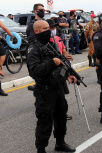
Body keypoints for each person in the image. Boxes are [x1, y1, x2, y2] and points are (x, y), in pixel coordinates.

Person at [26, 20, 76, 153]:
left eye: (49, 27)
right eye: (45, 28)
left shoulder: (50, 44)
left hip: (58, 88)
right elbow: (34, 71)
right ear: (36, 31)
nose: (48, 30)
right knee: (45, 121)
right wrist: (51, 62)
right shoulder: (33, 49)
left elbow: (60, 64)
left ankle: (60, 143)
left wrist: (68, 75)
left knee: (61, 118)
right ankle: (41, 149)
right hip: (45, 91)